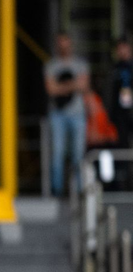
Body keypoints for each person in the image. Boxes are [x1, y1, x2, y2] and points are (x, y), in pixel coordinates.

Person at [45, 33, 90, 195]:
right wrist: (73, 84)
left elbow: (84, 86)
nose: (63, 46)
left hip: (77, 114)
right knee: (57, 154)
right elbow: (51, 89)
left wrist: (61, 86)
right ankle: (57, 191)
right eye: (60, 43)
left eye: (66, 43)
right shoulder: (51, 65)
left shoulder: (80, 64)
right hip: (57, 115)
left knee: (78, 155)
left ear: (70, 44)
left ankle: (79, 191)